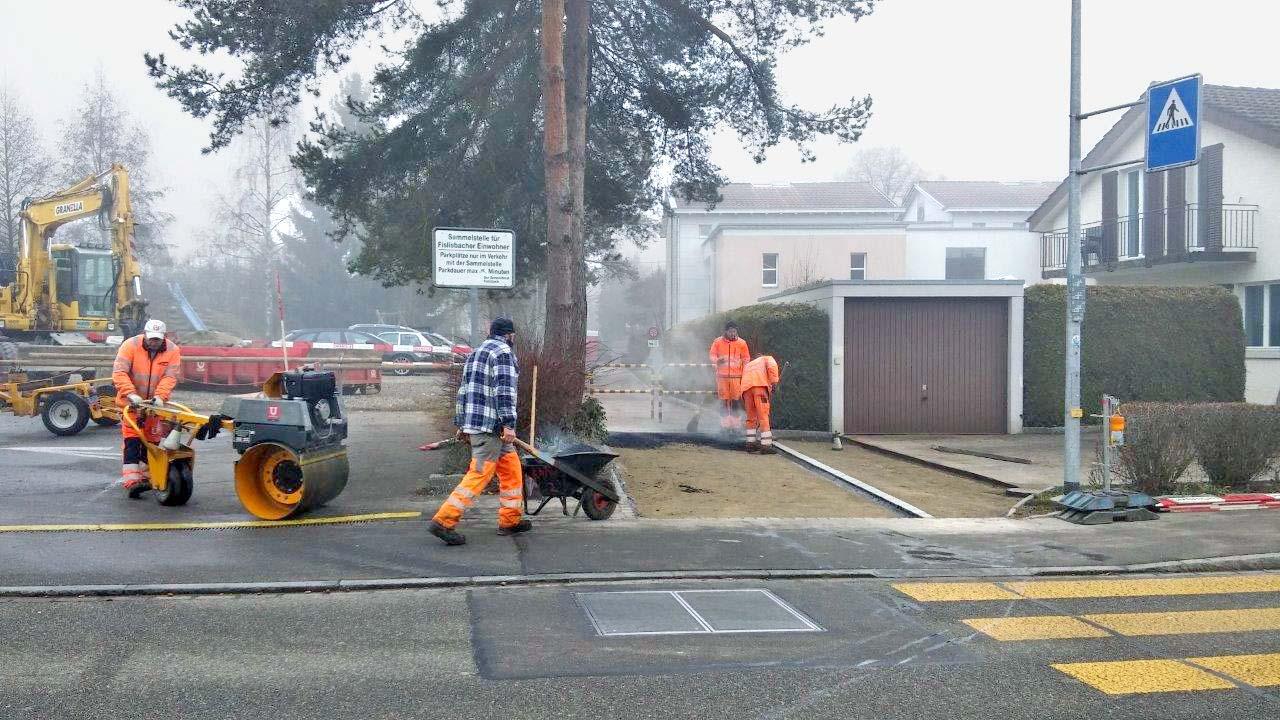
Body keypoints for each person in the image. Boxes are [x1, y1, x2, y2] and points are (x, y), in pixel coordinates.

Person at [429, 316, 529, 546]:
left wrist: (462, 424)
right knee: (479, 474)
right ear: (509, 335)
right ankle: (444, 521)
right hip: (491, 427)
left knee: (512, 469)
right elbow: (504, 392)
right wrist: (509, 424)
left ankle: (510, 520)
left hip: (481, 425)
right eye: (513, 335)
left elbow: (463, 390)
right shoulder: (503, 353)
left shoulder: (476, 353)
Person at [112, 318, 182, 497]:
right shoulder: (130, 346)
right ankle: (132, 480)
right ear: (144, 334)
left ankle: (146, 477)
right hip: (131, 403)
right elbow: (119, 372)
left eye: (157, 339)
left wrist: (160, 397)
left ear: (164, 338)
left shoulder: (173, 351)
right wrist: (131, 394)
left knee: (151, 441)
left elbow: (169, 378)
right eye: (151, 338)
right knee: (132, 441)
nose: (153, 342)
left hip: (154, 406)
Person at [708, 321, 750, 432]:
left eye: (734, 331)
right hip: (722, 377)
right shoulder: (717, 342)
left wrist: (745, 372)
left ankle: (735, 426)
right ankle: (724, 426)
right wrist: (717, 361)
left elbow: (746, 358)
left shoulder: (742, 343)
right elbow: (712, 355)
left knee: (736, 401)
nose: (733, 334)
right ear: (726, 332)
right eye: (731, 331)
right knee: (724, 401)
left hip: (736, 377)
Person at [740, 354, 781, 453]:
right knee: (763, 416)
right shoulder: (767, 358)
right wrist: (774, 382)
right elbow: (772, 366)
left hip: (746, 390)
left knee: (751, 418)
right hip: (759, 388)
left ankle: (750, 444)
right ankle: (766, 446)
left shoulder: (749, 365)